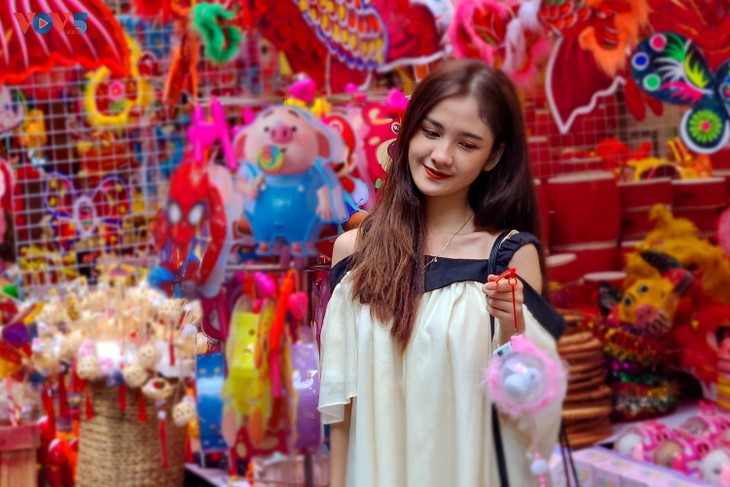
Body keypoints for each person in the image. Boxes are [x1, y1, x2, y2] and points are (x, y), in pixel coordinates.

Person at [317, 59, 566, 487]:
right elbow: (341, 404)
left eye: (467, 144)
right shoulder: (355, 252)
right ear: (408, 131)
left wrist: (512, 327)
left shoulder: (509, 257)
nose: (441, 155)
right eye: (431, 132)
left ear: (494, 156)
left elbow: (527, 410)